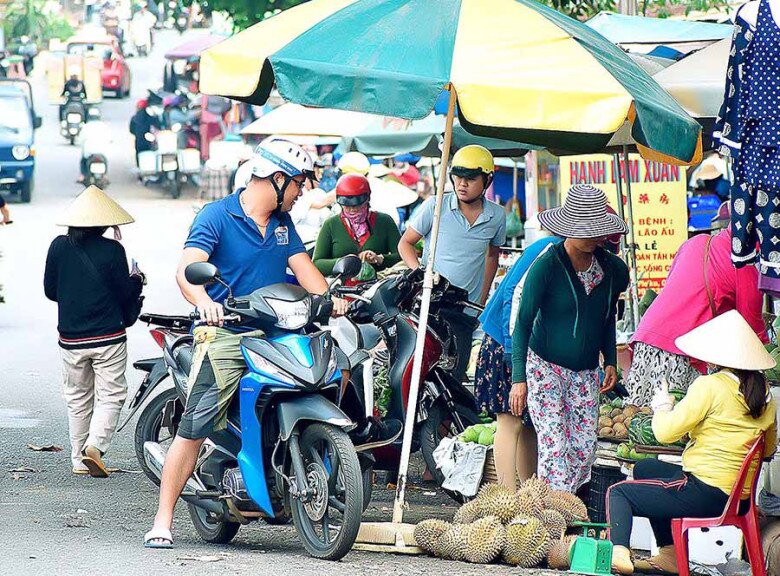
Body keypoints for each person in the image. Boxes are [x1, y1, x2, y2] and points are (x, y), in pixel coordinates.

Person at [144, 140, 384, 549]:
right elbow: (187, 270)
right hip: (227, 333)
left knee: (326, 373)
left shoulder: (282, 225)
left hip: (278, 331)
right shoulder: (216, 216)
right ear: (276, 179)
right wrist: (205, 302)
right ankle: (163, 518)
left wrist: (335, 300)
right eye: (298, 184)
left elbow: (305, 270)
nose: (302, 191)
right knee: (197, 422)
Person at [606, 310, 777, 575]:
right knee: (646, 469)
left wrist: (662, 408)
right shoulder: (765, 394)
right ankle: (669, 553)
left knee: (619, 492)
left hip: (704, 494)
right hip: (738, 498)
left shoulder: (709, 386)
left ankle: (618, 554)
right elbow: (767, 450)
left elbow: (665, 433)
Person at [510, 184, 629, 493]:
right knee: (554, 447)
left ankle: (570, 510)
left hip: (586, 370)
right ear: (569, 228)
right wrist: (519, 379)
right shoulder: (547, 267)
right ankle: (556, 522)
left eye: (598, 230)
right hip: (544, 367)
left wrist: (611, 361)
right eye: (586, 230)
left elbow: (606, 319)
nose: (594, 237)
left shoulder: (614, 270)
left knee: (584, 448)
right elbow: (522, 324)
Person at [43, 186, 144, 477]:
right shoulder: (113, 250)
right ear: (103, 222)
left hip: (71, 338)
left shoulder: (58, 246)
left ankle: (77, 459)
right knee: (111, 394)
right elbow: (125, 293)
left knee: (77, 397)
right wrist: (137, 281)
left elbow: (51, 291)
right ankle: (95, 446)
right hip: (108, 337)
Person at [626, 226, 767, 407]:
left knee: (641, 419)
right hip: (679, 352)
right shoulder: (745, 265)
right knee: (677, 426)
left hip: (647, 340)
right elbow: (752, 334)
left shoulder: (696, 242)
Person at [398, 145, 506, 381]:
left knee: (455, 379)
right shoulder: (435, 206)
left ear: (487, 180)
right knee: (423, 375)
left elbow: (492, 256)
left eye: (470, 178)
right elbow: (405, 244)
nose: (462, 184)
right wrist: (421, 273)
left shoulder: (497, 216)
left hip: (465, 310)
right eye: (457, 177)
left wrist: (481, 300)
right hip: (430, 305)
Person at [475, 234, 561, 490]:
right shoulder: (547, 249)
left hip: (530, 345)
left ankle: (529, 495)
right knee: (509, 419)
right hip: (505, 341)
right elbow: (513, 294)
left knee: (529, 423)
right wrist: (513, 352)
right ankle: (507, 499)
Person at [313, 173, 401, 279]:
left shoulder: (385, 221)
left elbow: (401, 255)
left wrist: (379, 259)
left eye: (357, 205)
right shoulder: (331, 224)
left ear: (367, 200)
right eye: (347, 206)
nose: (352, 210)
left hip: (378, 286)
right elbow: (317, 263)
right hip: (340, 289)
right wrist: (346, 262)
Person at [129, 99, 161, 169]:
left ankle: (140, 168)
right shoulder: (150, 117)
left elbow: (131, 130)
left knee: (139, 155)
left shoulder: (134, 118)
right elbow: (158, 126)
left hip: (139, 141)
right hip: (148, 141)